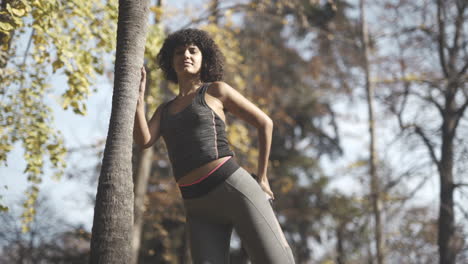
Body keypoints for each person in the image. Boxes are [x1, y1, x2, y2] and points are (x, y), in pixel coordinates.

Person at [133, 28, 295, 264]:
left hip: (234, 188)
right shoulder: (164, 110)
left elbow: (265, 124)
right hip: (196, 205)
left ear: (203, 58)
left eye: (193, 50)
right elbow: (144, 141)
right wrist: (138, 102)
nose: (186, 55)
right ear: (171, 61)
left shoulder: (216, 90)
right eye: (179, 52)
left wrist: (262, 177)